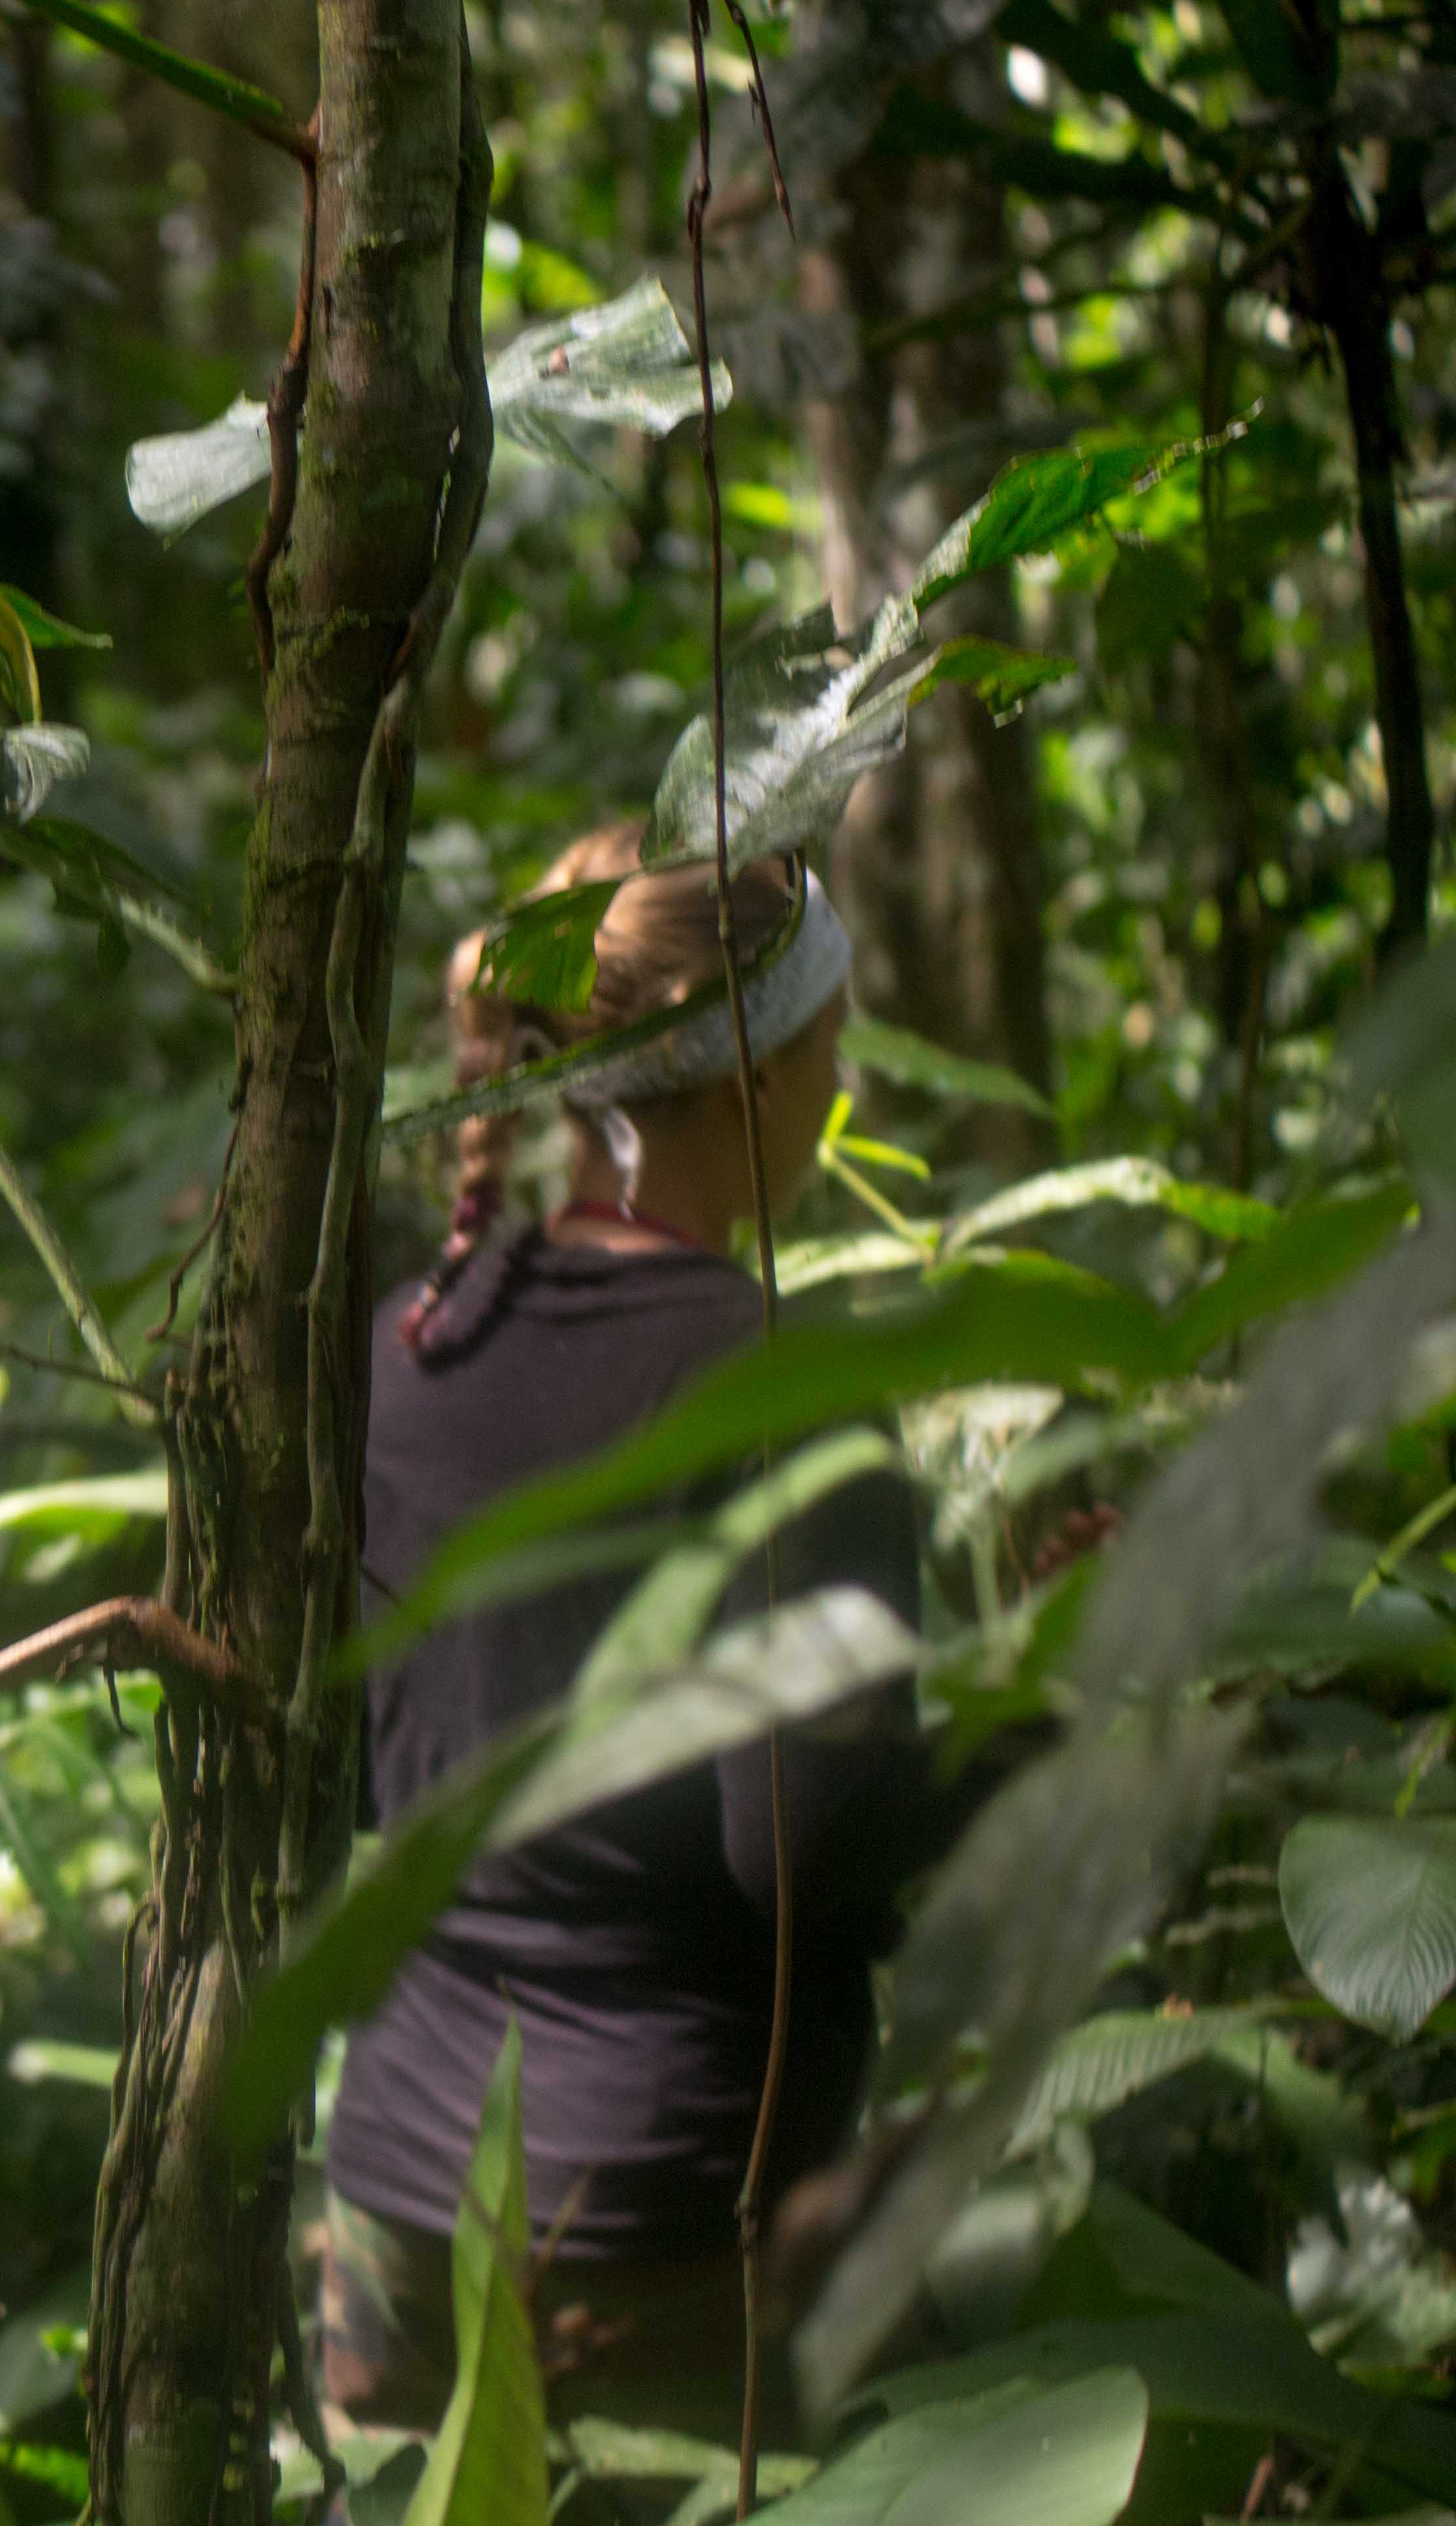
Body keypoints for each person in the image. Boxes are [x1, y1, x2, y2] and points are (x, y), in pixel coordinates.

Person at [320, 829, 958, 2462]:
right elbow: (805, 1844)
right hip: (656, 2241)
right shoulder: (780, 1390)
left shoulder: (406, 1347)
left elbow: (369, 1769)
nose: (840, 1092)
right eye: (830, 1049)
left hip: (392, 2202)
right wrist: (1033, 1726)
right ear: (752, 1074)